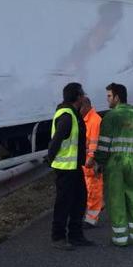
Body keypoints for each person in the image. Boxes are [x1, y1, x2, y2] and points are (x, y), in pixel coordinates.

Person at [95, 83, 133, 247]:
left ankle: (120, 238)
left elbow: (103, 146)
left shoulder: (111, 117)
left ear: (117, 97)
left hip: (116, 164)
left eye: (109, 96)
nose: (107, 99)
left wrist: (99, 163)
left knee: (116, 199)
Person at [44, 82, 95, 250]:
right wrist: (51, 160)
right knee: (63, 203)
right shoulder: (66, 116)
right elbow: (56, 140)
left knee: (79, 201)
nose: (83, 97)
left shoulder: (73, 113)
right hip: (65, 168)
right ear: (77, 97)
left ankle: (76, 235)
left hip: (74, 167)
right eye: (82, 95)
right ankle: (57, 237)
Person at [79, 97, 104, 228]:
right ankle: (98, 207)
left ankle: (91, 220)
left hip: (92, 163)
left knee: (93, 191)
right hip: (87, 163)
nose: (78, 110)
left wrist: (91, 158)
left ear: (86, 106)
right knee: (91, 191)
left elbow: (95, 143)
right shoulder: (86, 120)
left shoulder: (94, 121)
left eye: (80, 107)